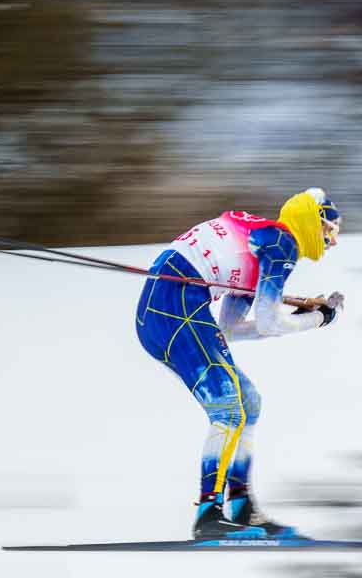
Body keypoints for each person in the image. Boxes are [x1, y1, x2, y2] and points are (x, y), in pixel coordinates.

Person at [134, 188, 344, 539]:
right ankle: (209, 515)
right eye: (330, 229)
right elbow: (267, 323)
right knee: (229, 408)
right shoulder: (282, 244)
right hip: (174, 305)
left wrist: (293, 313)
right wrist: (318, 319)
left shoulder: (264, 241)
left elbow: (231, 328)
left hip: (169, 307)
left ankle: (241, 507)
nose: (332, 240)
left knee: (247, 402)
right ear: (311, 221)